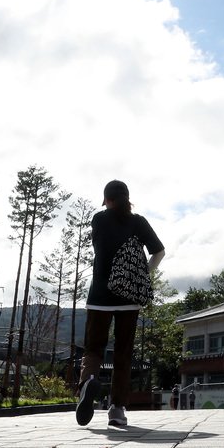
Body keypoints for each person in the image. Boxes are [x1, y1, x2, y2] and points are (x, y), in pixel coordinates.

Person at [76, 179, 164, 428]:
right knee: (123, 353)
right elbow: (159, 251)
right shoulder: (138, 222)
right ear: (127, 198)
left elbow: (99, 248)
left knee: (94, 348)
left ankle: (88, 382)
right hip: (128, 300)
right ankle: (117, 409)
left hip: (100, 298)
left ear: (107, 199)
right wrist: (144, 274)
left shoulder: (99, 219)